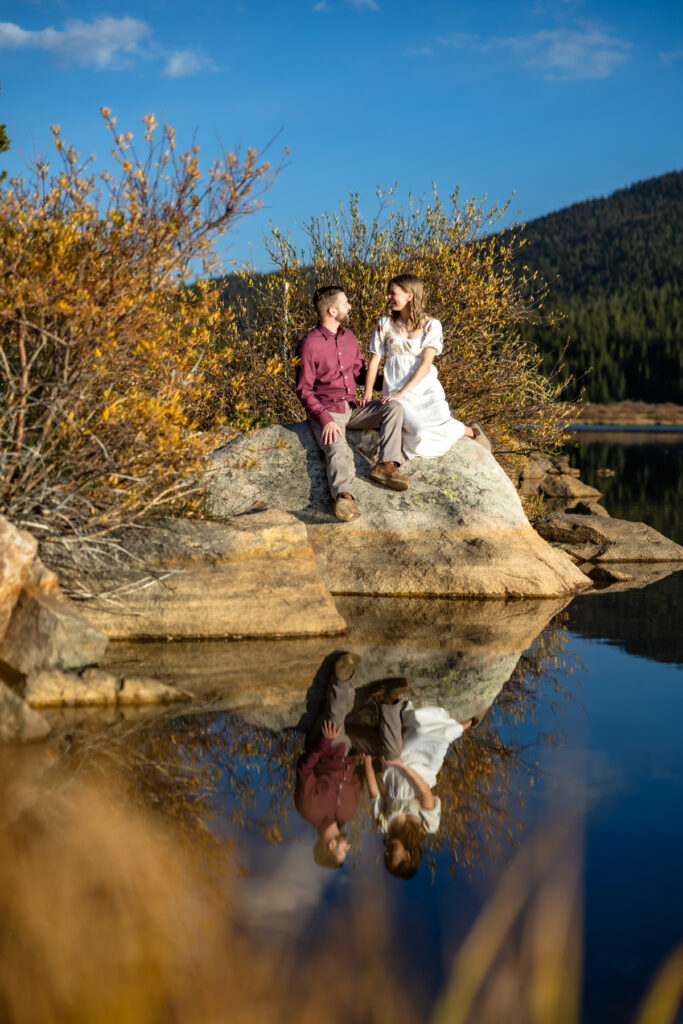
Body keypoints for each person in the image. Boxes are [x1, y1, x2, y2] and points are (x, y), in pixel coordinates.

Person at [296, 285, 410, 523]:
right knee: (336, 448)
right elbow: (303, 389)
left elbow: (359, 373)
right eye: (345, 302)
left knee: (394, 408)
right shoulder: (309, 344)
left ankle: (386, 465)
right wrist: (324, 419)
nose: (350, 306)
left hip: (354, 407)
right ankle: (344, 498)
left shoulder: (349, 338)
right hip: (328, 410)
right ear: (332, 310)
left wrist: (396, 383)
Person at [294, 653, 407, 868]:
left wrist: (324, 743)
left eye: (343, 852)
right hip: (352, 748)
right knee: (393, 752)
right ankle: (387, 700)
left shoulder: (308, 809)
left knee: (335, 722)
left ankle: (342, 675)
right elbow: (359, 778)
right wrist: (371, 762)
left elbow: (304, 768)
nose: (348, 848)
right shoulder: (349, 812)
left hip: (328, 742)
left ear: (330, 845)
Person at [363, 274, 492, 460]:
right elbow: (374, 360)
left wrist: (402, 393)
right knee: (417, 435)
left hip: (424, 387)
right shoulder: (384, 324)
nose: (388, 298)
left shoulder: (432, 325)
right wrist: (368, 394)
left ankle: (471, 432)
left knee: (431, 429)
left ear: (410, 295)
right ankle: (458, 426)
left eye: (393, 293)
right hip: (395, 388)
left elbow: (426, 365)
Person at [363, 704, 472, 880]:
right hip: (422, 770)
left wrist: (367, 761)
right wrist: (403, 766)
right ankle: (464, 725)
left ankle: (389, 705)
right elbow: (425, 792)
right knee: (419, 736)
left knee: (395, 747)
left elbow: (374, 794)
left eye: (385, 857)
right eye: (392, 857)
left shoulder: (383, 825)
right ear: (407, 856)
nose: (387, 853)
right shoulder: (427, 826)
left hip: (393, 771)